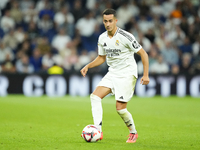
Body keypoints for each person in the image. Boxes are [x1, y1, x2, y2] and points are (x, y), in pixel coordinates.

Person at [80, 9, 149, 143]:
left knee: (120, 109)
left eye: (110, 21)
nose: (108, 24)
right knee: (95, 97)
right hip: (113, 73)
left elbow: (144, 54)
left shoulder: (126, 36)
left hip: (127, 74)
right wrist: (88, 65)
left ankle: (133, 132)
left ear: (116, 21)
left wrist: (145, 75)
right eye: (105, 21)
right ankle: (98, 131)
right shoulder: (102, 38)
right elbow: (101, 58)